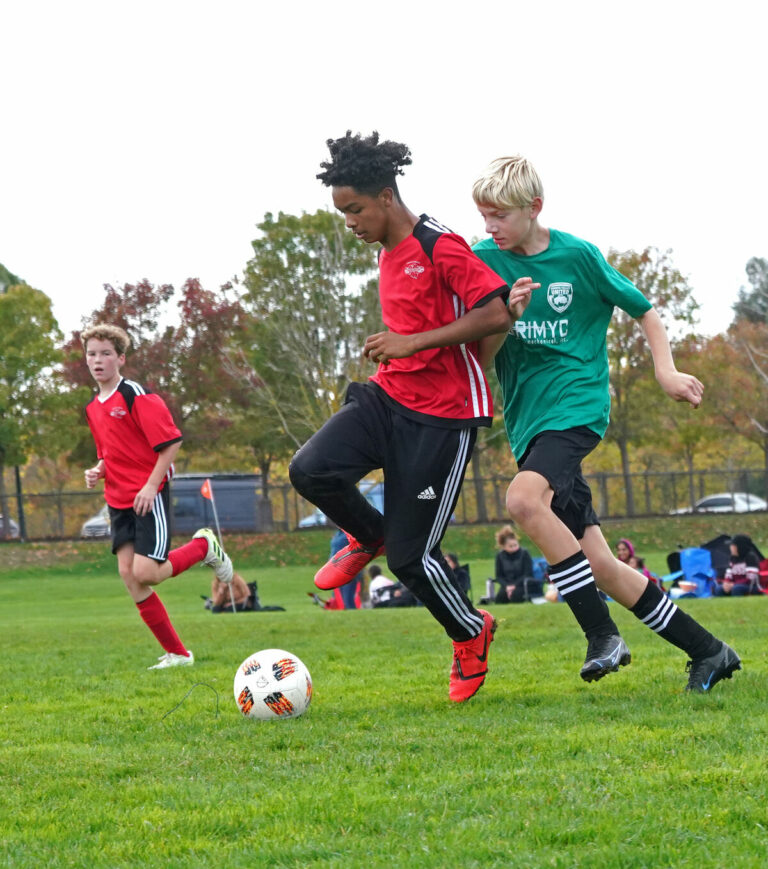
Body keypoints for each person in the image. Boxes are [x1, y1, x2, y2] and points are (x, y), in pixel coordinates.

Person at [471, 155, 741, 692]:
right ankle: (710, 652)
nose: (489, 227)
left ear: (535, 208)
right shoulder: (485, 261)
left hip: (577, 411)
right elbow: (481, 355)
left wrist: (665, 371)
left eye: (499, 215)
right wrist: (508, 317)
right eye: (483, 216)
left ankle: (601, 635)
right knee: (600, 565)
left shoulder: (579, 256)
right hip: (529, 426)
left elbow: (644, 309)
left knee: (524, 500)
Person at [289, 131, 534, 702]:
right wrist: (401, 353)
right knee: (310, 470)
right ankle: (366, 534)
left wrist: (412, 343)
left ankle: (471, 631)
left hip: (444, 418)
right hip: (387, 398)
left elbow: (496, 314)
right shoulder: (385, 250)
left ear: (386, 196)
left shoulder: (439, 244)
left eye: (354, 209)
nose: (349, 221)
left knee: (411, 560)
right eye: (341, 212)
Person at [82, 323, 234, 669]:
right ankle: (178, 655)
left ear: (120, 358)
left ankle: (204, 547)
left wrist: (151, 485)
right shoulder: (93, 408)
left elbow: (171, 443)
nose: (98, 360)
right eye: (92, 354)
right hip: (118, 499)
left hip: (149, 495)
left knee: (147, 572)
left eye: (106, 353)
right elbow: (110, 454)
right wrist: (98, 470)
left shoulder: (136, 394)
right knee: (129, 575)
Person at [489, 525, 539, 603]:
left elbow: (527, 574)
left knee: (515, 597)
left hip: (523, 584)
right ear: (503, 547)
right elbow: (499, 576)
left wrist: (514, 586)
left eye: (515, 545)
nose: (514, 548)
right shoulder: (500, 556)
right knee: (500, 599)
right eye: (510, 546)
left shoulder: (524, 553)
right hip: (507, 585)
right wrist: (507, 586)